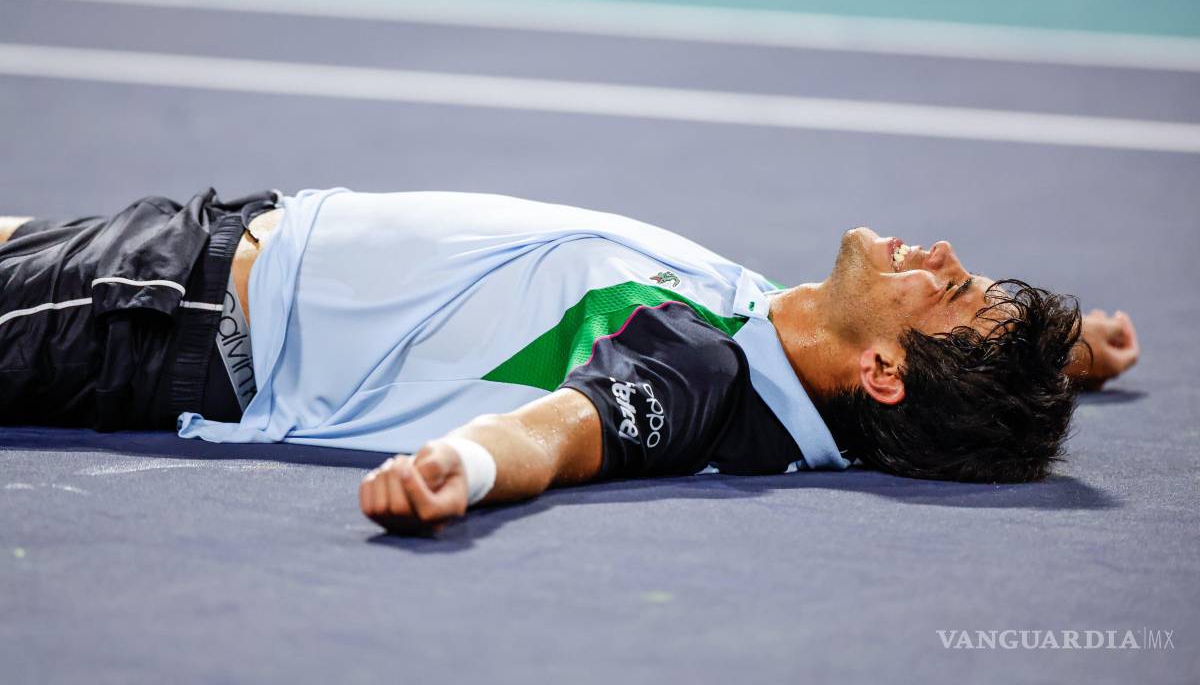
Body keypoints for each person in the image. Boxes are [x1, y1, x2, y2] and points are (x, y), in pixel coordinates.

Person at [0, 188, 1139, 535]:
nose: (937, 251)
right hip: (184, 265)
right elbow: (963, 373)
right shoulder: (786, 344)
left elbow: (564, 429)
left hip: (171, 309)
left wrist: (466, 467)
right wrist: (1058, 357)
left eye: (941, 284)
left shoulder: (703, 373)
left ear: (884, 369)